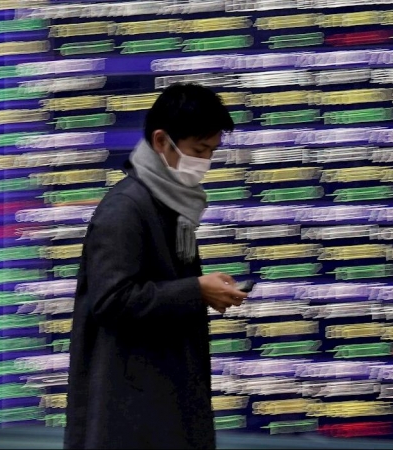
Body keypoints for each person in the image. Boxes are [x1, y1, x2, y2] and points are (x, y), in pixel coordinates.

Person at [64, 83, 247, 449]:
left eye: (211, 152)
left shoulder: (170, 205)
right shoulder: (125, 209)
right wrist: (195, 289)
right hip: (130, 413)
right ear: (162, 141)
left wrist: (202, 291)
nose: (205, 163)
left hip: (164, 399)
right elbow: (111, 300)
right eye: (199, 150)